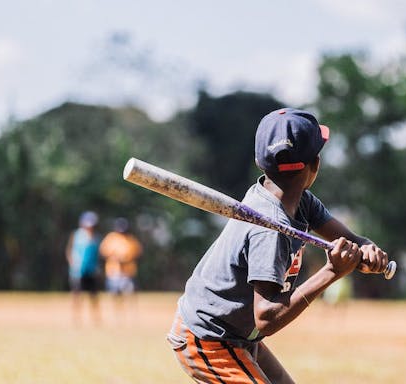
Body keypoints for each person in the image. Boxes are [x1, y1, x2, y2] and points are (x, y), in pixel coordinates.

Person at [166, 108, 389, 383]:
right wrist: (332, 272)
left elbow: (353, 241)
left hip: (237, 335)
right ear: (315, 164)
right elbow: (267, 317)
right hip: (208, 337)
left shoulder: (302, 202)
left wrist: (367, 251)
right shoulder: (269, 228)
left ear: (260, 163)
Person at [99, 217, 143, 320]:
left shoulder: (131, 239)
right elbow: (103, 252)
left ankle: (132, 314)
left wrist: (127, 259)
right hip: (114, 272)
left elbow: (138, 252)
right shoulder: (111, 238)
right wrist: (114, 257)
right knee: (115, 294)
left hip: (128, 272)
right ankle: (118, 314)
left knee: (130, 292)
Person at [66, 210, 102, 325]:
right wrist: (72, 263)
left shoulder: (96, 237)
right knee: (77, 295)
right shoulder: (76, 235)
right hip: (78, 271)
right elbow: (69, 250)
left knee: (94, 296)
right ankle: (76, 318)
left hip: (91, 271)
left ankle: (96, 319)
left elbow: (98, 254)